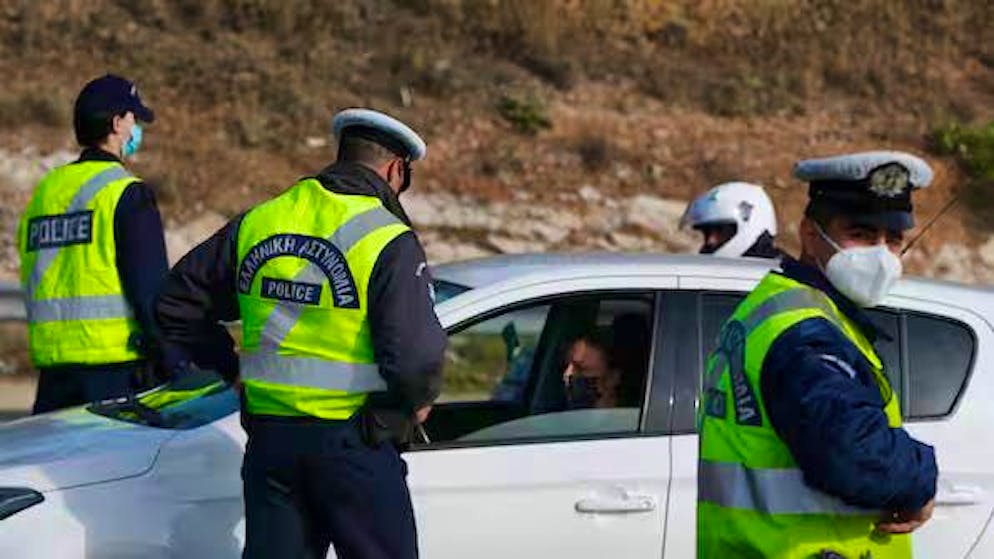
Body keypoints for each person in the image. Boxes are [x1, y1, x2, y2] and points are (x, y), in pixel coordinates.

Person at [155, 108, 446, 559]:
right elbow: (414, 360)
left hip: (271, 445)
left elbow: (174, 302)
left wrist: (229, 367)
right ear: (395, 170)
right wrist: (412, 403)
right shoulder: (389, 238)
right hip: (353, 445)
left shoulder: (262, 220)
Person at [697, 151, 938, 558]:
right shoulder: (804, 333)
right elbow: (853, 454)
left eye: (893, 240)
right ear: (810, 234)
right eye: (861, 234)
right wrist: (921, 477)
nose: (880, 255)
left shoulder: (783, 309)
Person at [18, 74, 167, 414]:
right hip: (115, 375)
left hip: (54, 376)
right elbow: (149, 292)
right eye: (133, 119)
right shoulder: (125, 193)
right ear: (117, 123)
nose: (136, 130)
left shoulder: (46, 192)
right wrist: (172, 359)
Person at [680, 181, 781, 258]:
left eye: (721, 230)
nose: (711, 241)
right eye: (707, 233)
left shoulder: (780, 282)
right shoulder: (731, 278)